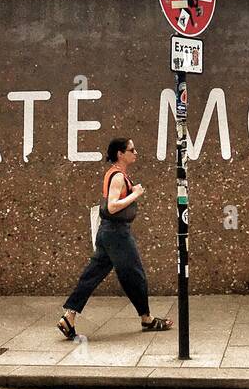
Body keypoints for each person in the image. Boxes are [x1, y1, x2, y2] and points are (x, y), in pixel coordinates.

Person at [57, 136, 173, 338]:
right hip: (117, 234)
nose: (135, 153)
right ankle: (147, 319)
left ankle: (69, 316)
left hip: (108, 233)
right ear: (121, 154)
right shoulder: (118, 176)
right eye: (132, 150)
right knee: (135, 276)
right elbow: (112, 206)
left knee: (92, 275)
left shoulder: (115, 174)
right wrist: (135, 194)